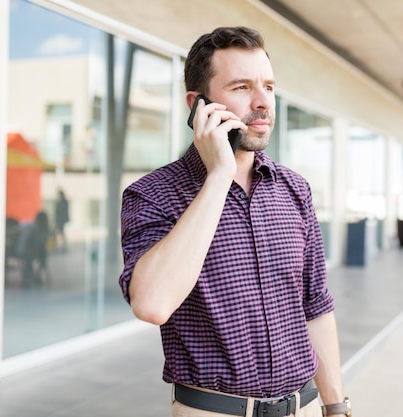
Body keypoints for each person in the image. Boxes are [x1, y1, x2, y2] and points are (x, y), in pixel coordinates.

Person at [119, 26, 350, 417]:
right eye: (242, 87)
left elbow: (315, 307)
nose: (262, 102)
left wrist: (336, 407)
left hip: (304, 407)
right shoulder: (152, 194)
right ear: (198, 105)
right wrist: (218, 177)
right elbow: (153, 304)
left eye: (269, 87)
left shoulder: (295, 190)